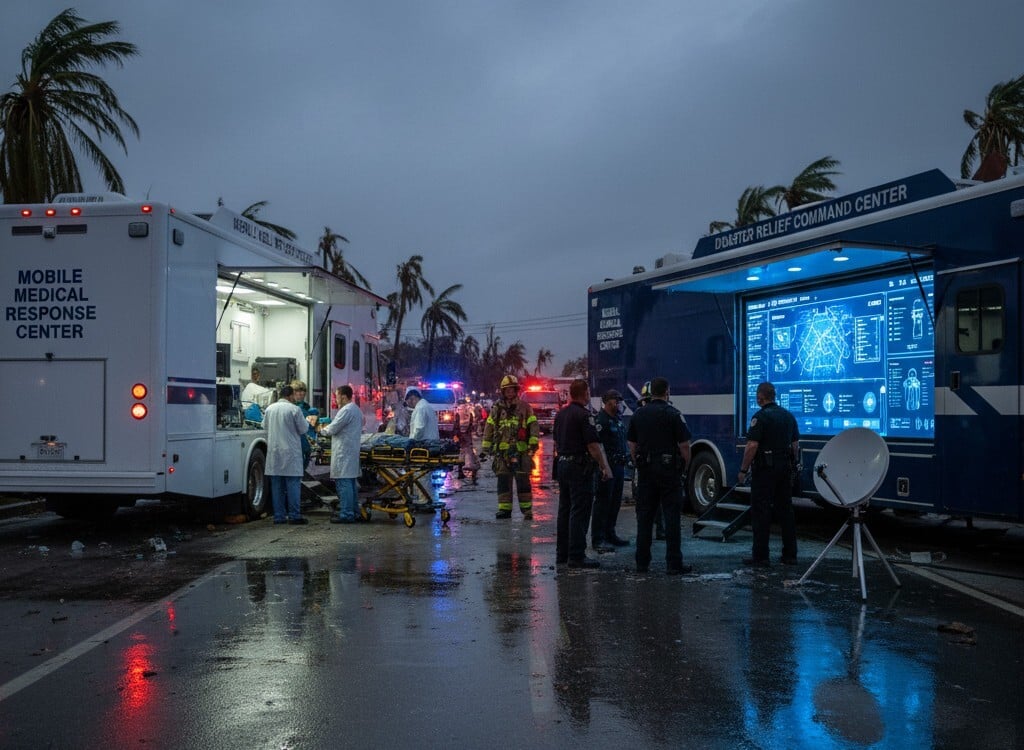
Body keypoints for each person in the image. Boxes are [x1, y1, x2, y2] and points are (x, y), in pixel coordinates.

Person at [627, 377, 692, 574]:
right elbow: (684, 446)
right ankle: (673, 564)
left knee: (645, 519)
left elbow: (632, 443)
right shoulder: (673, 414)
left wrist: (639, 462)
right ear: (667, 392)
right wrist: (683, 468)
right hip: (668, 472)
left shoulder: (638, 414)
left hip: (646, 472)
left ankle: (642, 563)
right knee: (672, 518)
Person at [737, 381, 800, 567]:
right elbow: (795, 445)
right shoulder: (789, 416)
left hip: (765, 470)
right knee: (786, 512)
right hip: (784, 469)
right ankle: (790, 555)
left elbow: (752, 446)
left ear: (760, 397)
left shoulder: (760, 418)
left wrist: (743, 470)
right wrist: (791, 463)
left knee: (761, 512)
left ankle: (761, 557)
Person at [553, 379, 613, 568]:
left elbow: (556, 442)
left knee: (565, 510)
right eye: (588, 393)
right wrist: (604, 466)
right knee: (580, 511)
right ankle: (577, 555)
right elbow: (593, 445)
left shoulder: (561, 415)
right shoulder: (585, 416)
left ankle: (562, 554)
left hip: (562, 465)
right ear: (585, 393)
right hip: (579, 468)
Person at [481, 375, 540, 519]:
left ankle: (527, 511)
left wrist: (533, 441)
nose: (510, 393)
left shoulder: (525, 407)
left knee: (523, 482)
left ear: (516, 390)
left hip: (521, 451)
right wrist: (486, 446)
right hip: (502, 452)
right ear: (503, 391)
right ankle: (505, 510)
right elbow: (489, 426)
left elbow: (533, 424)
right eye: (507, 390)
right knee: (503, 481)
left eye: (512, 390)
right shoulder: (496, 408)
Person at [263, 384, 311, 524]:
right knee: (292, 485)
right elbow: (303, 429)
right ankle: (294, 516)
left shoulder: (269, 409)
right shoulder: (294, 409)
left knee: (277, 486)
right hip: (290, 453)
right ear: (290, 396)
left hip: (274, 453)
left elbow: (264, 427)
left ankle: (279, 516)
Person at [591, 389, 630, 552]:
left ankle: (610, 533)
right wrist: (603, 467)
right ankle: (598, 539)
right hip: (606, 467)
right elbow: (598, 446)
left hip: (619, 467)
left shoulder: (617, 420)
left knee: (614, 503)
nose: (619, 404)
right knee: (602, 503)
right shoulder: (601, 421)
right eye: (616, 400)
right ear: (607, 402)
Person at [322, 384, 365, 524]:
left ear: (344, 397)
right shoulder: (356, 410)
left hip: (344, 452)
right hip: (350, 451)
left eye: (337, 395)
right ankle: (354, 512)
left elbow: (333, 429)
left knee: (344, 483)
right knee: (351, 484)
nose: (336, 398)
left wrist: (319, 429)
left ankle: (346, 514)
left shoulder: (346, 411)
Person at [289, 380, 319, 471]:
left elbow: (312, 425)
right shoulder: (289, 407)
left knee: (303, 467)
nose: (301, 393)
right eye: (298, 391)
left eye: (303, 391)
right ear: (293, 393)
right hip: (295, 443)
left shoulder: (307, 407)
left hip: (307, 443)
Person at [456, 396, 480, 483]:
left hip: (460, 435)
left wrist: (456, 434)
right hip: (467, 434)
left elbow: (456, 423)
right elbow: (472, 421)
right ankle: (473, 473)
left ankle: (460, 473)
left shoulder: (457, 411)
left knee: (461, 452)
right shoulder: (469, 411)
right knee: (470, 452)